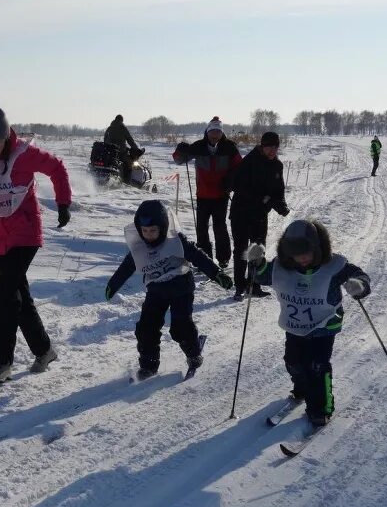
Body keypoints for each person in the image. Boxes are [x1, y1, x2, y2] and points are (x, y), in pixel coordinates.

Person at [0, 107, 73, 384]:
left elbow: (57, 168)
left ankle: (2, 363)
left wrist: (63, 203)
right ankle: (44, 350)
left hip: (25, 232)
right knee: (18, 295)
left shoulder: (24, 155)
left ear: (7, 137)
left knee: (4, 294)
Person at [246, 219, 370, 427]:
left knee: (317, 367)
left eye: (307, 253)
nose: (302, 258)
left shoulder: (333, 266)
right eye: (295, 254)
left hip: (324, 326)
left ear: (318, 248)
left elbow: (359, 275)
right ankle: (302, 388)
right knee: (293, 362)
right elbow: (261, 277)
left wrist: (359, 285)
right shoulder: (283, 267)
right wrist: (256, 262)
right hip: (294, 326)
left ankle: (321, 408)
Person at [105, 200, 235, 379]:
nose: (148, 235)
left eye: (153, 230)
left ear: (163, 228)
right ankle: (148, 364)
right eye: (144, 231)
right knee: (146, 327)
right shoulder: (139, 249)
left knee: (180, 326)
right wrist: (113, 285)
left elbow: (198, 257)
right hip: (156, 291)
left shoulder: (175, 241)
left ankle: (193, 353)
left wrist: (217, 274)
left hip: (181, 288)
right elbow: (126, 268)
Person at [172, 117, 242, 269]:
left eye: (218, 131)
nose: (215, 134)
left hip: (221, 195)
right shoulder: (199, 146)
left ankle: (223, 259)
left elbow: (239, 167)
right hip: (202, 195)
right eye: (212, 131)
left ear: (221, 133)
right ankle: (204, 258)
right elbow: (179, 160)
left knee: (220, 226)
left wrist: (230, 181)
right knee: (201, 228)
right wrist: (180, 149)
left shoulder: (229, 147)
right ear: (208, 132)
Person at [229, 131, 289, 299]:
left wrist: (280, 204)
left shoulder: (277, 165)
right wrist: (264, 199)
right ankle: (240, 286)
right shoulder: (249, 161)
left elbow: (279, 189)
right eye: (269, 147)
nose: (272, 151)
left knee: (257, 251)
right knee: (241, 250)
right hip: (241, 212)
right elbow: (237, 185)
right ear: (262, 147)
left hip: (260, 215)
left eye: (275, 147)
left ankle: (254, 284)